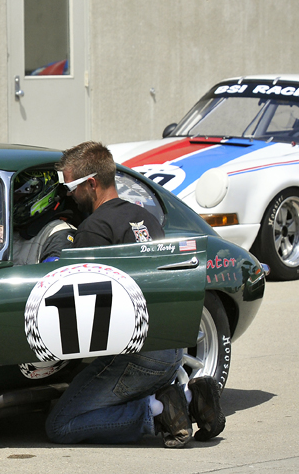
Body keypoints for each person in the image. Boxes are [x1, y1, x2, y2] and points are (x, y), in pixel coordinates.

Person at [45, 141, 226, 448]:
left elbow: (78, 308)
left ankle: (157, 413)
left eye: (70, 187)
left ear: (90, 184)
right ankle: (190, 396)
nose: (67, 195)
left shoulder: (93, 231)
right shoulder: (146, 219)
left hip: (135, 355)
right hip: (171, 350)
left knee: (61, 424)